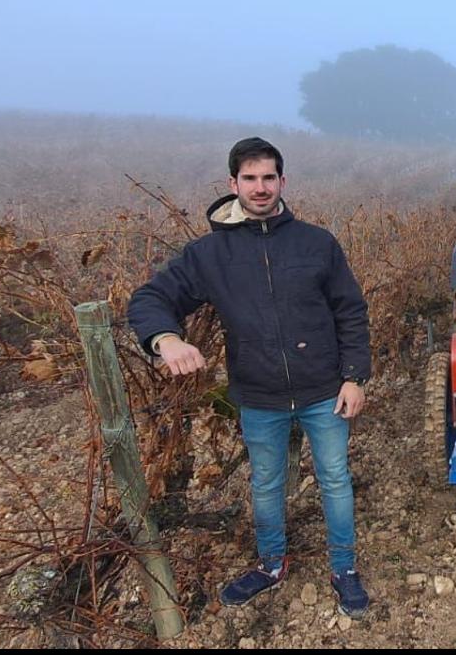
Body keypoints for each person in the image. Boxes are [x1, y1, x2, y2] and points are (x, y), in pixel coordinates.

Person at [128, 137, 373, 618]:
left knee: (335, 481)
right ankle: (271, 565)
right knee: (265, 484)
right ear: (232, 184)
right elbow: (150, 299)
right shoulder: (208, 255)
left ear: (282, 182)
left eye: (268, 178)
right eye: (250, 179)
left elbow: (351, 312)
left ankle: (344, 570)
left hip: (324, 390)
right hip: (259, 395)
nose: (259, 188)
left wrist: (354, 377)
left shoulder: (316, 243)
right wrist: (166, 340)